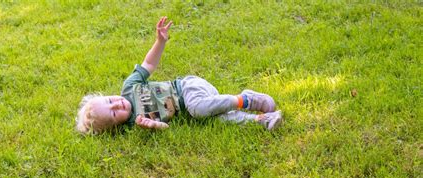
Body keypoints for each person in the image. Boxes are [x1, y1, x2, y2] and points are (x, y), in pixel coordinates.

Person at [76, 17, 282, 134]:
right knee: (219, 120)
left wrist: (160, 42)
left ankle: (246, 100)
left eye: (111, 100)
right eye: (113, 113)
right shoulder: (134, 125)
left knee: (198, 109)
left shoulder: (130, 87)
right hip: (198, 108)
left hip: (188, 89)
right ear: (115, 126)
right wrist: (154, 125)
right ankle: (263, 120)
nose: (117, 105)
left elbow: (148, 63)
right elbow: (165, 127)